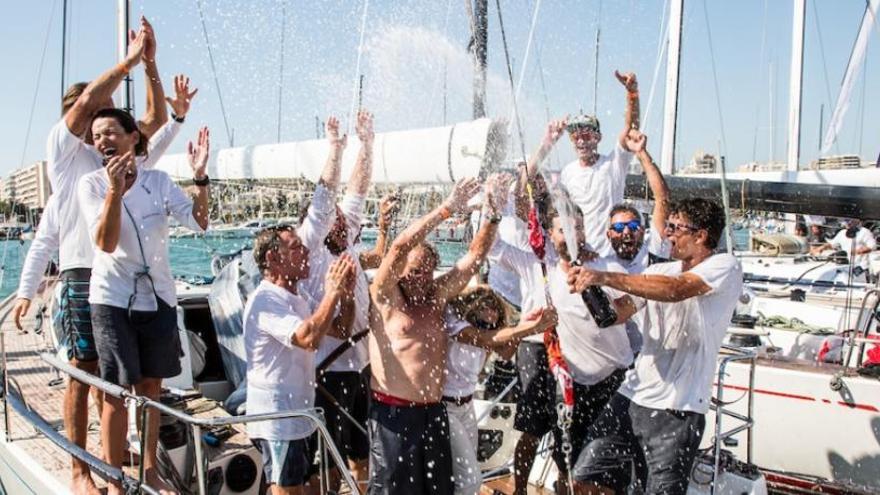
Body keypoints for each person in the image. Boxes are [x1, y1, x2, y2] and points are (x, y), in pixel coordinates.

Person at [34, 18, 175, 494]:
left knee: (116, 380)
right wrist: (130, 61)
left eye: (110, 120)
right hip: (79, 268)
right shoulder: (65, 149)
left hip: (117, 276)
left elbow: (152, 122)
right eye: (96, 114)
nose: (103, 126)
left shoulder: (112, 154)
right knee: (83, 371)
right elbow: (92, 103)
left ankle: (116, 457)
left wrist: (152, 68)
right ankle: (79, 470)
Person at [566, 198, 743, 495]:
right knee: (585, 478)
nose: (667, 234)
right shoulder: (658, 272)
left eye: (675, 228)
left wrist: (603, 276)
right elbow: (613, 315)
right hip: (632, 396)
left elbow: (677, 290)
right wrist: (588, 285)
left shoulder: (724, 266)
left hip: (678, 407)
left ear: (700, 236)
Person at [77, 112, 210, 495]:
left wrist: (200, 177)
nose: (102, 140)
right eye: (97, 135)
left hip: (159, 297)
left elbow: (199, 222)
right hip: (111, 297)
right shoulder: (91, 185)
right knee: (116, 390)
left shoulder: (158, 181)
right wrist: (114, 191)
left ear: (133, 138)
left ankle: (150, 470)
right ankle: (115, 478)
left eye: (111, 133)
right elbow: (104, 241)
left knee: (151, 386)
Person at [367, 173, 501, 494]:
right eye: (414, 272)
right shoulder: (386, 295)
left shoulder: (437, 295)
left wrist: (494, 213)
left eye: (427, 271)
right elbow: (399, 246)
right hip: (393, 415)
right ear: (400, 271)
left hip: (434, 412)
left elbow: (474, 258)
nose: (421, 279)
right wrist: (446, 209)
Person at [300, 110, 376, 492]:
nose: (344, 221)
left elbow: (358, 188)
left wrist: (368, 143)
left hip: (360, 363)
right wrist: (336, 149)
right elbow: (325, 195)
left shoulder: (347, 238)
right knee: (328, 454)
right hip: (330, 369)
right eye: (335, 218)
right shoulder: (312, 248)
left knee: (361, 449)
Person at [245, 235, 355, 495]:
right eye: (295, 247)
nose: (306, 250)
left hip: (299, 414)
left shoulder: (299, 296)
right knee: (287, 488)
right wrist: (331, 291)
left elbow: (341, 329)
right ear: (272, 259)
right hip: (278, 418)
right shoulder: (266, 299)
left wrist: (346, 296)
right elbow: (308, 338)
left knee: (303, 485)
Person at [543, 197, 636, 494]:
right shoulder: (545, 272)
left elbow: (626, 309)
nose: (574, 235)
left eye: (579, 228)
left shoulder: (606, 267)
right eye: (565, 229)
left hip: (613, 381)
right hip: (572, 384)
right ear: (550, 234)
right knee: (565, 461)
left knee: (605, 472)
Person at [444, 285, 557, 495]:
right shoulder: (457, 325)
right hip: (446, 408)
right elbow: (486, 339)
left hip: (466, 406)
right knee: (469, 479)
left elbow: (505, 352)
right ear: (473, 306)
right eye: (487, 307)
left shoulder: (487, 332)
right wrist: (534, 328)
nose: (492, 313)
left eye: (495, 309)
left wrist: (524, 323)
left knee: (465, 474)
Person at [526, 71, 641, 257]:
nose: (581, 141)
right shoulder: (567, 172)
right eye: (575, 136)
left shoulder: (613, 164)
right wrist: (548, 142)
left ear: (598, 138)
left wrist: (632, 95)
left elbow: (631, 131)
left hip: (609, 257)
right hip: (579, 255)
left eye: (586, 135)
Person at [603, 129, 669, 354]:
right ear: (609, 234)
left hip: (653, 352)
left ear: (642, 231)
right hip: (617, 358)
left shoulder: (654, 252)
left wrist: (642, 154)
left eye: (632, 227)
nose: (626, 233)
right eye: (619, 228)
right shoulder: (601, 264)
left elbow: (662, 199)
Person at [810, 218, 876, 274]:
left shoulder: (865, 232)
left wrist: (858, 251)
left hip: (861, 267)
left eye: (849, 220)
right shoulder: (842, 233)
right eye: (845, 221)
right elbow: (832, 244)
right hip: (846, 265)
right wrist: (821, 248)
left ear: (857, 221)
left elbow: (872, 246)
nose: (847, 223)